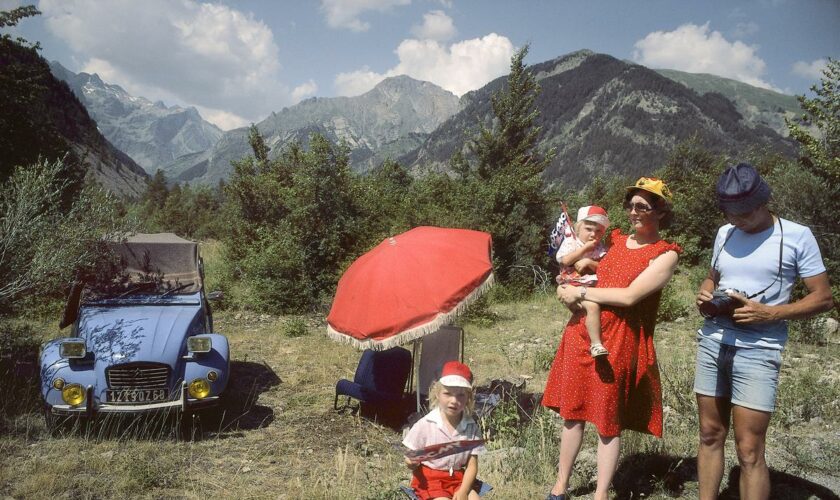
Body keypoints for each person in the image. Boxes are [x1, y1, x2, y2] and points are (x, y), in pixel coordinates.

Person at [694, 163, 833, 500]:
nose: (735, 219)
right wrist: (705, 293)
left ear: (763, 202)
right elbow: (713, 277)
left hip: (759, 350)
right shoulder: (725, 233)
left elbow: (824, 297)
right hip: (713, 341)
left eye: (742, 212)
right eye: (729, 212)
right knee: (710, 434)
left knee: (749, 449)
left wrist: (769, 312)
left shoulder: (796, 236)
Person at [542, 177, 681, 500]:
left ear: (661, 212)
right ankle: (560, 486)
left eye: (643, 206)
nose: (633, 212)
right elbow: (577, 268)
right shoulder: (614, 240)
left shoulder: (665, 254)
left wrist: (582, 291)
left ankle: (601, 494)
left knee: (608, 419)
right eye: (631, 205)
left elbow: (631, 296)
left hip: (618, 340)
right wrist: (564, 287)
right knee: (572, 412)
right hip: (582, 331)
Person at [403, 361, 487, 500]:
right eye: (448, 393)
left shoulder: (471, 427)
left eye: (461, 395)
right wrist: (411, 463)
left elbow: (472, 466)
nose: (454, 400)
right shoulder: (426, 424)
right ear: (437, 394)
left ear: (468, 398)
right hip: (431, 480)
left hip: (458, 479)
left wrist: (463, 492)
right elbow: (410, 458)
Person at [555, 205, 611, 357]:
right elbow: (565, 260)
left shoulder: (601, 248)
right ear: (578, 229)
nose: (593, 234)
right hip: (571, 284)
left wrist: (590, 263)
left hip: (592, 286)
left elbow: (605, 268)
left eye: (598, 231)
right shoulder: (571, 243)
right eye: (588, 229)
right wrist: (584, 250)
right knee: (592, 307)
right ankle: (596, 344)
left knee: (595, 308)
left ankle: (591, 336)